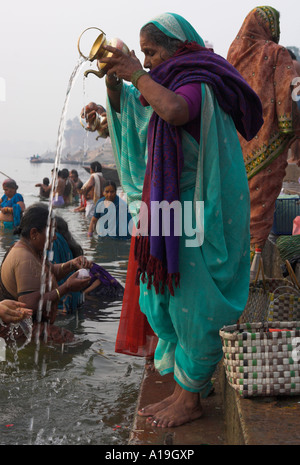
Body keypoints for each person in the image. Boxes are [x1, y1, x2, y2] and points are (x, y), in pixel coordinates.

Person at [83, 12, 263, 427]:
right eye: (142, 54)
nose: (146, 62)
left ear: (176, 47)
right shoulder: (163, 82)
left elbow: (176, 111)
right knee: (162, 298)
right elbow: (137, 117)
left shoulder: (199, 79)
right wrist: (114, 78)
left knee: (191, 302)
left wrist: (134, 72)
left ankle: (189, 399)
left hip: (195, 210)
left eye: (151, 52)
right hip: (166, 211)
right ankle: (189, 385)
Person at [227, 6, 300, 255]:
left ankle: (236, 269)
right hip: (268, 145)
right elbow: (289, 94)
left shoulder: (232, 56)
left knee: (237, 210)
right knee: (259, 212)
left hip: (234, 148)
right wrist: (291, 130)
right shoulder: (276, 53)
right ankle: (253, 269)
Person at [0, 203, 91, 342]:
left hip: (28, 325)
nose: (54, 237)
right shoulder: (24, 258)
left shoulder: (29, 249)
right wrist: (66, 287)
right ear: (34, 233)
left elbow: (51, 270)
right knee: (74, 343)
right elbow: (30, 305)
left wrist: (72, 264)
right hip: (19, 328)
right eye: (51, 232)